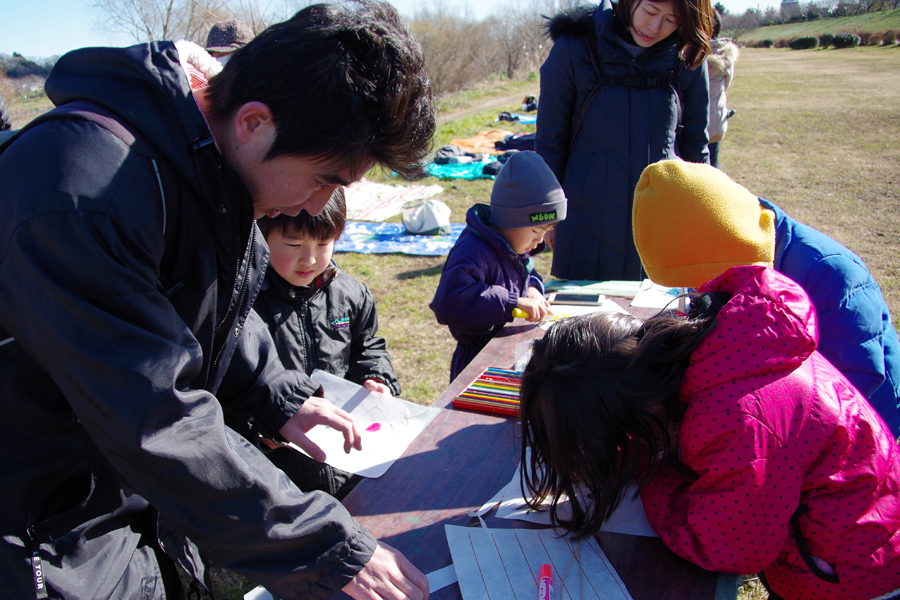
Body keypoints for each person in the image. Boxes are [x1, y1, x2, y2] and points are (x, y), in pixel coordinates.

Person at [0, 2, 434, 599]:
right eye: (324, 180)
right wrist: (325, 545)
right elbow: (154, 416)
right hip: (46, 532)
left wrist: (276, 393)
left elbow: (199, 309)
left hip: (131, 507)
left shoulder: (206, 164)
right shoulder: (81, 190)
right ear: (254, 123)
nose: (315, 209)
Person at [518, 266, 900, 600]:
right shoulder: (714, 354)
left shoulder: (733, 420)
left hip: (853, 574)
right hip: (845, 542)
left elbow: (727, 545)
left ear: (633, 412)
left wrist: (652, 479)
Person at [631, 159, 900, 438]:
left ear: (730, 250)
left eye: (698, 283)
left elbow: (856, 381)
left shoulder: (830, 272)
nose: (695, 293)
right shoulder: (744, 244)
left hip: (851, 433)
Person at [535, 0, 714, 281]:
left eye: (672, 20)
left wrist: (705, 214)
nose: (655, 27)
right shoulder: (575, 47)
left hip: (662, 223)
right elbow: (550, 142)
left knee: (659, 321)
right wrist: (547, 217)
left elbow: (695, 147)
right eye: (651, 11)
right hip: (585, 221)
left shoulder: (687, 56)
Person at [245, 187, 400, 499]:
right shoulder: (246, 304)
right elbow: (231, 386)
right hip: (277, 473)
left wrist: (376, 377)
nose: (310, 258)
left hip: (347, 461)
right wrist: (260, 431)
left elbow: (368, 347)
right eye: (293, 244)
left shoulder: (350, 294)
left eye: (323, 243)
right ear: (261, 234)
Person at [430, 151, 566, 382]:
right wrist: (512, 302)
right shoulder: (473, 250)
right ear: (511, 220)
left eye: (545, 233)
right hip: (476, 363)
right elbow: (450, 302)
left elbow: (525, 271)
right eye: (536, 231)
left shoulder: (513, 243)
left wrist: (532, 288)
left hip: (501, 349)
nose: (540, 241)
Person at [706, 10, 738, 169]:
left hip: (692, 121)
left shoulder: (688, 52)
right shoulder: (726, 53)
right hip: (717, 118)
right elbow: (727, 84)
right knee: (714, 161)